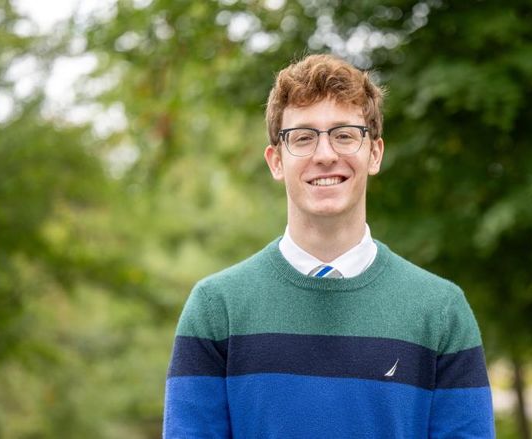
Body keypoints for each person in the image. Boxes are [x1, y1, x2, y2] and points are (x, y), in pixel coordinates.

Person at [163, 54, 495, 438]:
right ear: (275, 161)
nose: (325, 155)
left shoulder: (440, 312)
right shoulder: (216, 309)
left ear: (374, 153)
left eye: (344, 134)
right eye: (302, 137)